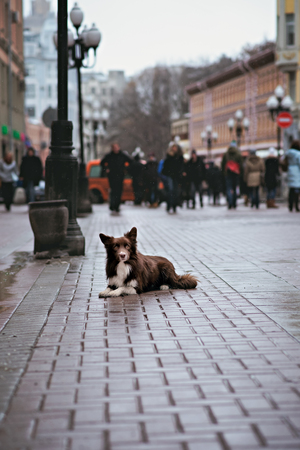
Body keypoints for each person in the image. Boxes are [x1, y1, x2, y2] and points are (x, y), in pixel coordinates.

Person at [100, 143, 132, 213]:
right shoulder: (109, 156)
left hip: (120, 176)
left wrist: (125, 169)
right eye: (114, 147)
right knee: (113, 191)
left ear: (119, 148)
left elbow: (131, 161)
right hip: (112, 176)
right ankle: (112, 205)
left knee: (119, 191)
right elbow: (102, 163)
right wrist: (106, 169)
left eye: (116, 147)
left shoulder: (122, 155)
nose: (115, 149)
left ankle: (117, 206)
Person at [161, 144, 184, 213]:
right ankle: (169, 204)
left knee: (175, 191)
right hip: (170, 176)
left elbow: (181, 167)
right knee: (170, 190)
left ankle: (174, 205)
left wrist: (181, 174)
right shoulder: (169, 157)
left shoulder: (179, 157)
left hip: (176, 176)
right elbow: (165, 166)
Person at [221, 144, 243, 209]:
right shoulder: (238, 154)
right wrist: (240, 173)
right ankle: (234, 203)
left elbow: (223, 164)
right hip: (236, 174)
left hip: (228, 174)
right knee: (235, 189)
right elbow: (241, 165)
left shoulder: (226, 154)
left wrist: (224, 173)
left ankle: (230, 202)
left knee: (228, 188)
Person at [285, 140, 300, 212]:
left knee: (291, 189)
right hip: (297, 171)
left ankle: (290, 205)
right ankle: (296, 206)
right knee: (297, 189)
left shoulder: (288, 153)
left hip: (290, 170)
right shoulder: (298, 154)